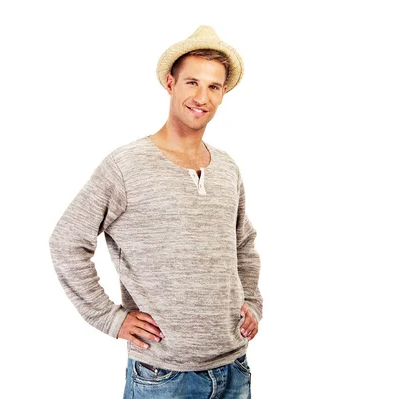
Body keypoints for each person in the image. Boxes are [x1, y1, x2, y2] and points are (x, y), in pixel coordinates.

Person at [48, 25, 263, 398]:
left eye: (214, 86)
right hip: (164, 375)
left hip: (234, 367)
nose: (202, 97)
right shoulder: (126, 166)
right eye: (192, 82)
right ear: (170, 83)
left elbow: (243, 243)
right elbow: (67, 241)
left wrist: (253, 303)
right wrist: (109, 317)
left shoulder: (226, 167)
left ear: (224, 93)